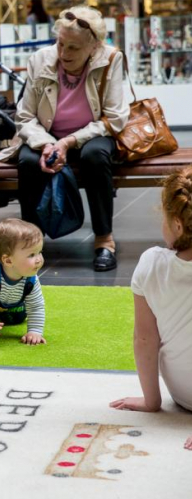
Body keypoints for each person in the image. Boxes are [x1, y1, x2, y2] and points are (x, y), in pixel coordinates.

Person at [15, 6, 129, 272]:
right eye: (61, 43)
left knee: (95, 156)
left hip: (93, 133)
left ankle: (104, 241)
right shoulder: (41, 59)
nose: (64, 53)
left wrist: (69, 142)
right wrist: (46, 144)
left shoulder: (110, 59)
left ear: (94, 46)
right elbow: (24, 116)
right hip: (47, 134)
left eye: (74, 48)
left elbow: (114, 118)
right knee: (27, 160)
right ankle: (29, 243)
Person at [110, 167, 192, 450]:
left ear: (178, 226)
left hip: (184, 394)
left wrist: (151, 401)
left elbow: (145, 340)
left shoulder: (151, 264)